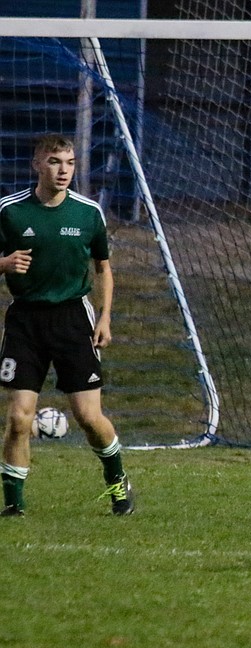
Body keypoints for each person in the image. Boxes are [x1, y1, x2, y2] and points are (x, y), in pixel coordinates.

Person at [0, 134, 133, 516]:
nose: (64, 171)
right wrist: (5, 264)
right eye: (56, 162)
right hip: (25, 320)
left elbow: (104, 270)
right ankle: (15, 505)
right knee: (18, 416)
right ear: (37, 165)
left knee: (89, 418)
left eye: (70, 163)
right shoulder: (10, 211)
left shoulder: (88, 212)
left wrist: (105, 317)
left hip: (75, 319)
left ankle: (118, 484)